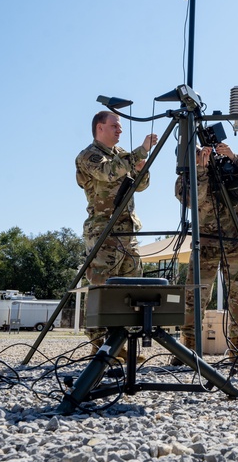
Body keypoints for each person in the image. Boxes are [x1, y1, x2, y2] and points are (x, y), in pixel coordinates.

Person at [76, 110, 158, 356]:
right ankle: (98, 347)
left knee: (130, 288)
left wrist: (142, 168)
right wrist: (141, 151)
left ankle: (119, 345)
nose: (120, 129)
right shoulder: (88, 155)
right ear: (100, 128)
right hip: (103, 230)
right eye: (115, 125)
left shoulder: (123, 155)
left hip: (127, 232)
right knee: (102, 286)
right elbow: (107, 172)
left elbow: (141, 185)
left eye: (120, 126)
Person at [175, 142, 238, 360]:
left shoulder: (223, 167)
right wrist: (200, 170)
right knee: (195, 295)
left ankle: (237, 347)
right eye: (198, 154)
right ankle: (188, 348)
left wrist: (233, 157)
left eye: (204, 153)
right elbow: (194, 200)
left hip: (235, 240)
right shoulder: (186, 178)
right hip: (206, 243)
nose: (204, 156)